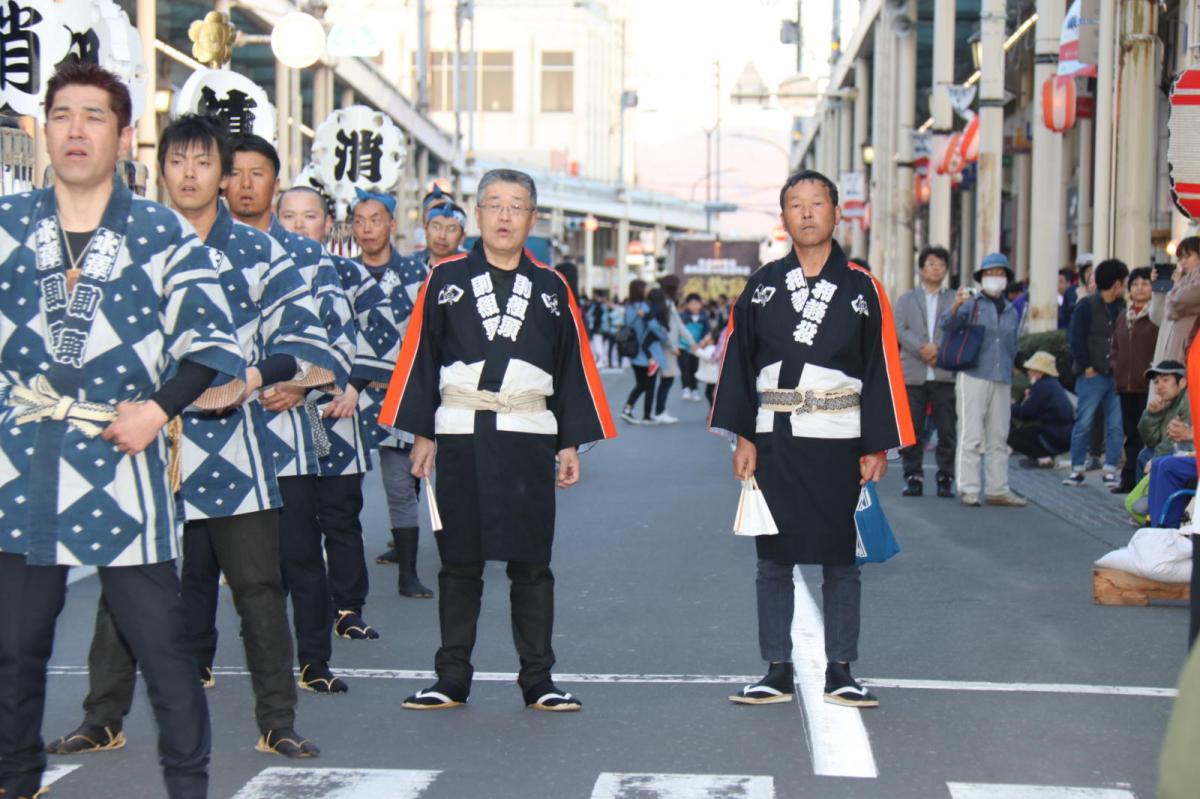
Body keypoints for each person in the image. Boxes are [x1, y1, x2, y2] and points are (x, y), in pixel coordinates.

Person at [46, 114, 332, 762]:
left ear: (222, 174)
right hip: (145, 439)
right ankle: (103, 715)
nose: (190, 174)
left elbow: (307, 340)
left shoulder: (262, 250)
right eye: (178, 161)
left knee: (259, 589)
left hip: (235, 441)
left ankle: (276, 719)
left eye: (205, 162)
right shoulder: (127, 242)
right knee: (125, 584)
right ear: (161, 166)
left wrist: (255, 374)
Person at [0, 63, 247, 799]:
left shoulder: (158, 229)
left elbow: (210, 338)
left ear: (124, 133)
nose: (76, 130)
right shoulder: (10, 225)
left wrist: (158, 409)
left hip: (122, 460)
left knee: (164, 651)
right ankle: (15, 780)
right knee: (13, 648)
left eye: (94, 117)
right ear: (45, 129)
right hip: (23, 461)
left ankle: (189, 787)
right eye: (63, 115)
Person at [379, 168, 616, 711]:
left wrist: (568, 444)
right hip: (461, 431)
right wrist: (422, 433)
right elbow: (421, 357)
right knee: (458, 561)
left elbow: (571, 365)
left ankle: (538, 679)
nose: (505, 216)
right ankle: (451, 678)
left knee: (531, 563)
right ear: (478, 214)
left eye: (517, 206)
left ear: (532, 218)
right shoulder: (445, 279)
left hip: (529, 434)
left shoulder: (553, 288)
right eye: (495, 204)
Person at [710, 169, 913, 708]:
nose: (805, 212)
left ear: (835, 212)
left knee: (840, 558)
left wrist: (878, 444)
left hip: (841, 436)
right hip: (776, 434)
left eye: (815, 203)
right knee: (773, 558)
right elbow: (739, 361)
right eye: (795, 204)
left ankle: (840, 669)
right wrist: (743, 435)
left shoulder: (862, 288)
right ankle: (776, 668)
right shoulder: (762, 286)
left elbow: (881, 367)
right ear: (783, 218)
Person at [228, 135, 357, 694]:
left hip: (287, 426)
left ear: (273, 182)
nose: (245, 184)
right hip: (215, 431)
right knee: (208, 562)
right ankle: (199, 661)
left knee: (300, 553)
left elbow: (337, 344)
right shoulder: (190, 248)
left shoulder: (308, 257)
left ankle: (314, 661)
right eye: (234, 172)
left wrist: (301, 386)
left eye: (259, 174)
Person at [278, 185, 402, 637]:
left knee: (340, 516)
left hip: (336, 411)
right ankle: (280, 608)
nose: (298, 225)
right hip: (277, 415)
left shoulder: (350, 273)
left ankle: (348, 608)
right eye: (288, 216)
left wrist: (353, 385)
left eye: (308, 216)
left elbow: (383, 332)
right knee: (287, 521)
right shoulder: (263, 271)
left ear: (328, 224)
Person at [356, 187, 466, 596]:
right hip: (347, 397)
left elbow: (431, 339)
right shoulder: (344, 272)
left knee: (409, 479)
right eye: (435, 226)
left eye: (450, 228)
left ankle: (416, 567)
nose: (441, 235)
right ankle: (340, 577)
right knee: (337, 487)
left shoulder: (427, 277)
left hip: (411, 390)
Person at [941, 252, 1025, 507]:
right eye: (990, 274)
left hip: (1001, 377)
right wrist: (956, 304)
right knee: (971, 433)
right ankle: (968, 488)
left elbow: (1013, 344)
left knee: (999, 435)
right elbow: (947, 324)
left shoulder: (1011, 310)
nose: (995, 278)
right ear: (981, 278)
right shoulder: (973, 304)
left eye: (999, 274)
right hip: (973, 374)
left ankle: (997, 488)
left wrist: (1015, 369)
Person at [894, 245, 957, 498]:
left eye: (941, 265)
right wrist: (923, 349)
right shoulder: (906, 299)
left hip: (943, 372)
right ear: (921, 269)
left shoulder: (954, 298)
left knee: (947, 429)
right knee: (913, 430)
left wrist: (938, 349)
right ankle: (913, 476)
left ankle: (945, 476)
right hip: (913, 372)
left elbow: (958, 329)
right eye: (931, 264)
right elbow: (899, 329)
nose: (936, 269)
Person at [1063, 259, 1128, 488]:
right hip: (1092, 375)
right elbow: (1075, 338)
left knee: (1115, 424)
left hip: (1115, 375)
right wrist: (1086, 366)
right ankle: (1077, 468)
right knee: (1085, 421)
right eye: (1124, 282)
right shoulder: (1086, 305)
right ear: (1117, 282)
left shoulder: (1122, 307)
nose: (1126, 286)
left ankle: (1110, 468)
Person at [1109, 267, 1158, 492]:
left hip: (1148, 385)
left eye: (1145, 283)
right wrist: (1116, 367)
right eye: (1135, 284)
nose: (1139, 288)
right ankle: (1128, 480)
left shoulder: (1156, 315)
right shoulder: (1123, 315)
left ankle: (1141, 481)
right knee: (1130, 434)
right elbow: (1115, 347)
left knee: (1145, 434)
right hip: (1125, 385)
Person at [1008, 351, 1074, 468]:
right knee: (1029, 431)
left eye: (1031, 369)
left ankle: (1042, 457)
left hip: (1054, 437)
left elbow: (1027, 413)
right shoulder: (1052, 384)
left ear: (1040, 372)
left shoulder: (1042, 387)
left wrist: (1008, 407)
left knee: (1012, 437)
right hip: (1064, 435)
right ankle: (1042, 457)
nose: (1028, 372)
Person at [620, 279, 667, 424]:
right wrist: (663, 334)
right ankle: (647, 415)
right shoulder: (645, 307)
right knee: (650, 385)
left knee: (641, 384)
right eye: (646, 288)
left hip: (634, 352)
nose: (648, 290)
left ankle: (628, 409)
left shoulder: (628, 308)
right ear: (641, 290)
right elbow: (654, 328)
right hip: (649, 353)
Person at [653, 274, 698, 422]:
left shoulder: (667, 303)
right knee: (666, 379)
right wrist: (674, 346)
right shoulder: (666, 303)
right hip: (667, 347)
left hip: (666, 346)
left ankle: (659, 411)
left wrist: (690, 341)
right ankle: (659, 412)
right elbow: (668, 328)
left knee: (665, 379)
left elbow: (677, 325)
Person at [1152, 237, 1200, 363]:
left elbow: (1177, 302)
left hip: (1190, 349)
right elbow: (1161, 315)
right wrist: (1158, 288)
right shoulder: (1184, 280)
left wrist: (1176, 286)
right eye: (1180, 258)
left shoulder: (1191, 281)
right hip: (1177, 349)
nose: (1183, 262)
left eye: (1187, 257)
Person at [1137, 361, 1190, 474]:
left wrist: (1155, 460)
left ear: (1182, 382)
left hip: (1190, 455)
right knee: (1145, 454)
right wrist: (1152, 415)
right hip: (1175, 452)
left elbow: (1177, 441)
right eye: (1156, 382)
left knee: (1151, 459)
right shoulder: (1168, 402)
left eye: (1165, 380)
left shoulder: (1188, 400)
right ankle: (1149, 492)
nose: (1159, 387)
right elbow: (1151, 442)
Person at [679, 293, 710, 401]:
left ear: (700, 304)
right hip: (684, 346)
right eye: (691, 304)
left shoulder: (704, 317)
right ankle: (686, 388)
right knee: (685, 368)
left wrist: (703, 342)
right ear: (687, 305)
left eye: (696, 303)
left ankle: (694, 389)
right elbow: (679, 332)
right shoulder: (683, 316)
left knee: (695, 368)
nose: (694, 306)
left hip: (698, 347)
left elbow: (707, 331)